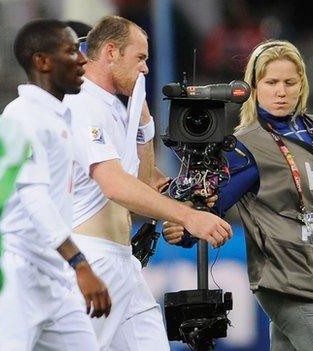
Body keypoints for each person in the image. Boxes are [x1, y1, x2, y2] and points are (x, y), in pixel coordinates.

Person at [164, 40, 313, 350]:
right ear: (254, 87)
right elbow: (211, 204)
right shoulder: (244, 146)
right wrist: (185, 226)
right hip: (287, 281)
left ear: (301, 85)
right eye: (271, 82)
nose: (280, 91)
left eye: (289, 82)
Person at [62, 15, 233, 350]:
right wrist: (189, 216)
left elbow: (141, 184)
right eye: (139, 58)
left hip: (122, 260)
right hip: (91, 257)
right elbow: (114, 186)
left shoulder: (113, 107)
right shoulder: (80, 103)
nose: (145, 70)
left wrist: (145, 127)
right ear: (110, 52)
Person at [0, 19, 112, 350]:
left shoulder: (59, 115)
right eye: (72, 51)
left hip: (51, 273)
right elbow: (34, 199)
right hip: (10, 271)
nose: (83, 60)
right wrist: (81, 264)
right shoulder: (23, 118)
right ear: (43, 61)